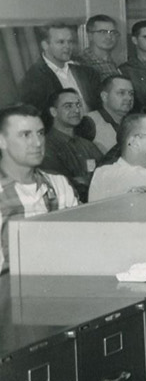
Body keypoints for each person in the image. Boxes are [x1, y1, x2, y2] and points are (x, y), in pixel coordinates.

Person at [0, 105, 81, 273]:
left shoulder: (59, 184)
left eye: (41, 133)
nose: (37, 143)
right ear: (2, 140)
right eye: (25, 135)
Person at [20, 24, 99, 114]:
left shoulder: (85, 71)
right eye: (61, 42)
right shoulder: (34, 78)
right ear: (45, 45)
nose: (67, 46)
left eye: (70, 42)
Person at [42, 89, 103, 197]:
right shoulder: (46, 146)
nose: (76, 110)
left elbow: (107, 174)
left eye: (78, 105)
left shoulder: (87, 145)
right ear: (53, 112)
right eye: (68, 106)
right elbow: (61, 185)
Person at [79, 15, 121, 85]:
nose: (109, 37)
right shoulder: (82, 63)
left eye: (113, 32)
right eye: (103, 32)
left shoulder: (115, 63)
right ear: (90, 36)